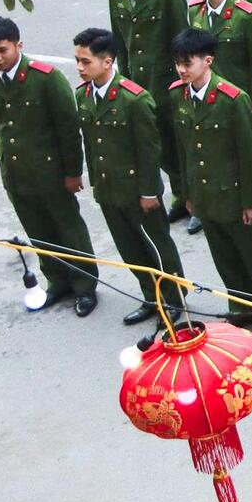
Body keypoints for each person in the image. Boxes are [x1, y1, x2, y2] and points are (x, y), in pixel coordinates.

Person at [0, 16, 97, 316]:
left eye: (2, 50)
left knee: (68, 229)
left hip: (51, 172)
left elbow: (68, 129)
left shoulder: (45, 78)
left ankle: (84, 286)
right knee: (38, 231)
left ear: (18, 45)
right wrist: (3, 162)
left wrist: (72, 172)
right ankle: (57, 281)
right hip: (16, 174)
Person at [72, 28, 184, 325]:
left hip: (138, 191)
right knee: (130, 249)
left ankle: (174, 300)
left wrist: (149, 191)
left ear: (107, 62)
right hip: (109, 188)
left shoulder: (134, 99)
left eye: (86, 61)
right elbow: (91, 143)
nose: (80, 68)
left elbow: (149, 150)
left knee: (158, 247)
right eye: (78, 61)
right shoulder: (83, 95)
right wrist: (96, 183)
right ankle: (151, 297)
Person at [171, 28, 252, 338]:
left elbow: (249, 155)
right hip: (205, 195)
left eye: (187, 63)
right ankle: (241, 308)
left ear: (207, 61)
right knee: (225, 257)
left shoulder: (232, 99)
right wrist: (188, 193)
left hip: (234, 194)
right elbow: (184, 150)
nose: (181, 70)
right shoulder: (178, 95)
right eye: (178, 63)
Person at [108, 0, 190, 219]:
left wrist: (182, 83)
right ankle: (181, 196)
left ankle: (191, 199)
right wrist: (124, 81)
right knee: (157, 145)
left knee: (178, 143)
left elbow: (182, 42)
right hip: (137, 84)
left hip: (166, 83)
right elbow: (120, 41)